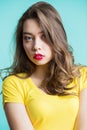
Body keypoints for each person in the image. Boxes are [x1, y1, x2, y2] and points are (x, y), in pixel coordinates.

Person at [2, 1, 87, 130]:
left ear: (57, 37)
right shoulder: (14, 84)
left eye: (44, 36)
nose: (36, 46)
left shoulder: (82, 76)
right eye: (28, 38)